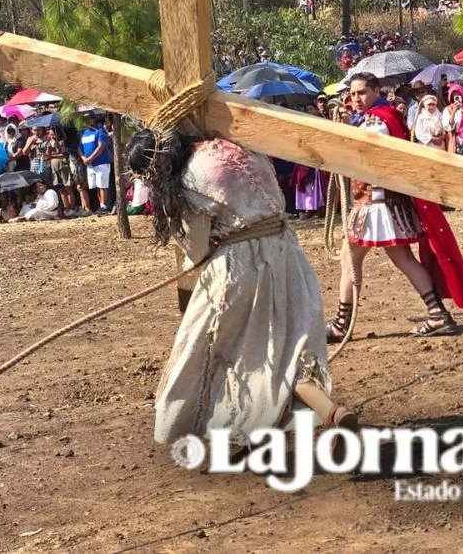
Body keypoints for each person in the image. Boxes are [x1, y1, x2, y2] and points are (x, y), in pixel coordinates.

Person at [126, 127, 359, 452]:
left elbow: (196, 248)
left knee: (218, 351)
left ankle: (229, 434)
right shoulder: (242, 146)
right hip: (286, 253)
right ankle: (332, 412)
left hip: (240, 266)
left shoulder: (188, 177)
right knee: (288, 348)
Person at [326, 72, 463, 340]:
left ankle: (342, 325)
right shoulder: (385, 115)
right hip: (383, 203)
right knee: (401, 259)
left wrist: (343, 133)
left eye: (362, 92)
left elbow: (363, 155)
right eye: (352, 94)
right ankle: (437, 313)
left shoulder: (375, 121)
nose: (356, 98)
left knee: (350, 260)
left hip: (374, 203)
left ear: (376, 91)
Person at [79, 114, 112, 214]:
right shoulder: (84, 132)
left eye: (89, 119)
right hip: (90, 165)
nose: (87, 121)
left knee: (103, 185)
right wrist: (84, 158)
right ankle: (101, 206)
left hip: (101, 162)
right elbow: (79, 148)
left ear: (94, 119)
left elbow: (101, 146)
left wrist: (90, 158)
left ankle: (104, 206)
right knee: (97, 185)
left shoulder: (100, 130)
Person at [45, 127, 77, 216]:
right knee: (61, 189)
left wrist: (52, 156)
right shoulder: (50, 142)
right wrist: (48, 149)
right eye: (50, 134)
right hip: (54, 167)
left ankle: (72, 207)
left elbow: (65, 155)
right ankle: (66, 208)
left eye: (53, 134)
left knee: (68, 187)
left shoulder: (63, 141)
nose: (52, 136)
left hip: (63, 166)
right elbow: (47, 155)